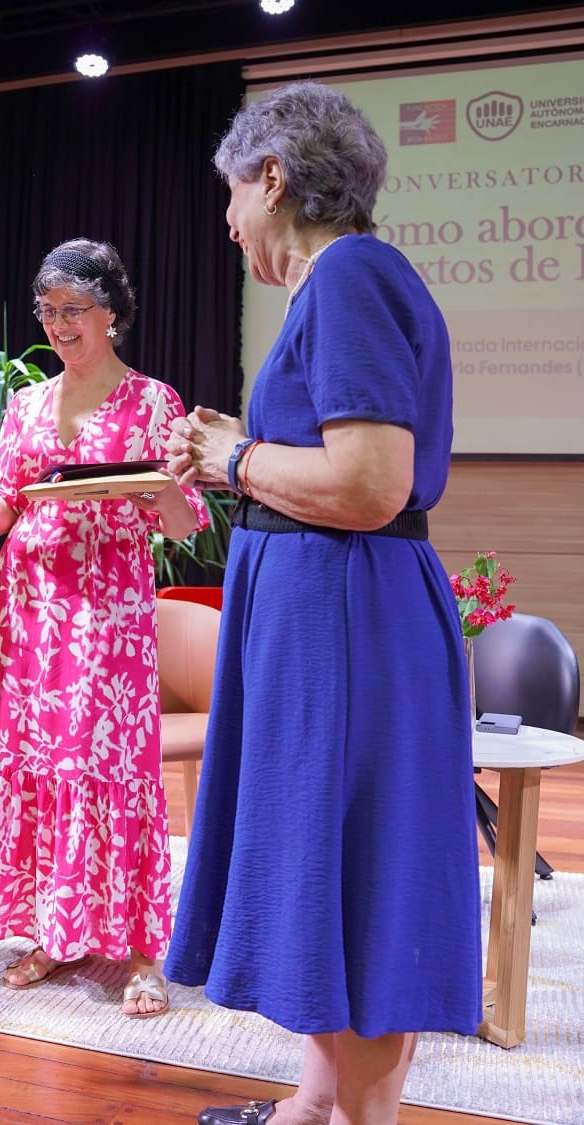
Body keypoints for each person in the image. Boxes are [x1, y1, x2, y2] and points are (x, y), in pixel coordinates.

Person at [163, 83, 482, 1125]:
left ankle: (361, 1120)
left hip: (343, 619)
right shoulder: (333, 285)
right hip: (318, 614)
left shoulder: (349, 275)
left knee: (362, 871)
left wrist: (239, 457)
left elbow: (369, 484)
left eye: (233, 196)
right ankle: (313, 1104)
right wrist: (234, 459)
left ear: (274, 176)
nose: (227, 221)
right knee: (324, 859)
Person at [0, 238, 207, 1017]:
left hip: (106, 610)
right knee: (39, 767)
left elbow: (183, 522)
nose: (57, 325)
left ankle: (143, 949)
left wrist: (155, 496)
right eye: (48, 311)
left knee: (110, 769)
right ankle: (58, 927)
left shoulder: (153, 402)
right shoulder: (27, 403)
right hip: (27, 605)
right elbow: (5, 511)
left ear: (112, 311)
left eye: (72, 310)